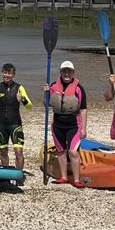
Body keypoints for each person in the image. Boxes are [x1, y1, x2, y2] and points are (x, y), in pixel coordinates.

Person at [43, 60, 87, 188]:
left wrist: (84, 128)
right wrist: (45, 93)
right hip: (57, 123)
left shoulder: (79, 88)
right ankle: (63, 177)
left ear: (73, 72)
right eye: (64, 71)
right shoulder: (52, 86)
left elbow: (83, 109)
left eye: (69, 71)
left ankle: (77, 179)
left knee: (73, 152)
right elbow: (46, 104)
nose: (66, 73)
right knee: (61, 151)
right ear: (61, 72)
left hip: (74, 124)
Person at [0, 63, 33, 170]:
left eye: (9, 73)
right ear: (2, 73)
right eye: (5, 73)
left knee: (18, 151)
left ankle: (18, 175)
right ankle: (6, 176)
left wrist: (23, 99)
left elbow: (30, 106)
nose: (7, 75)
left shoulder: (19, 88)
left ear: (13, 74)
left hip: (15, 124)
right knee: (3, 150)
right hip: (1, 124)